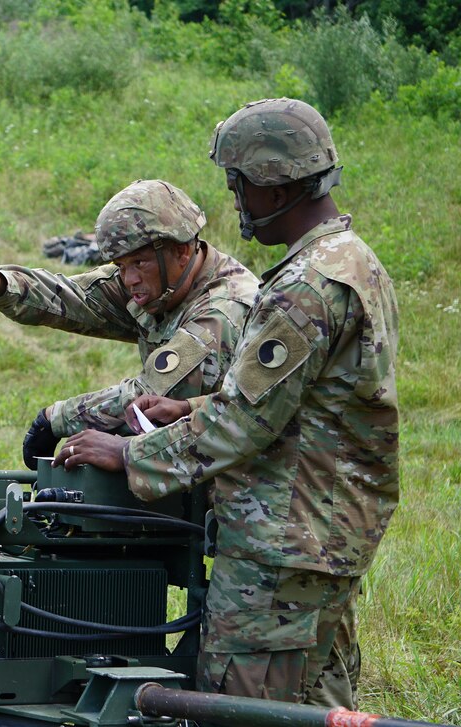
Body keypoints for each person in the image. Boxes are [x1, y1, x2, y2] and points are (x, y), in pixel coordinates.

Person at [55, 98, 399, 708]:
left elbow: (242, 425)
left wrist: (129, 453)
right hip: (326, 537)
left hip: (281, 543)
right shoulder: (353, 261)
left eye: (237, 184)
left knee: (242, 709)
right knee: (316, 710)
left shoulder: (306, 287)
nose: (235, 201)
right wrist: (191, 410)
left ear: (272, 185)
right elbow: (312, 403)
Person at [0, 179, 259, 469]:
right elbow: (75, 297)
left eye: (138, 263)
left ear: (182, 252)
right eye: (120, 265)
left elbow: (151, 396)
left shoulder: (223, 311)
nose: (128, 279)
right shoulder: (162, 279)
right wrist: (0, 284)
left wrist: (56, 419)